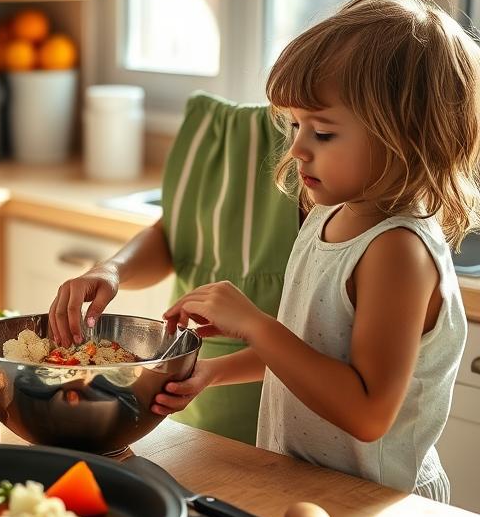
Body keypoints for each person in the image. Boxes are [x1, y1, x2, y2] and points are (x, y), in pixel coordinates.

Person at [154, 0, 480, 517]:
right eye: (294, 125)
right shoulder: (331, 213)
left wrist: (253, 325)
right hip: (312, 487)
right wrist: (218, 369)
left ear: (406, 137)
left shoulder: (396, 251)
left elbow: (366, 407)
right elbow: (313, 356)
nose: (296, 149)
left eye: (322, 131)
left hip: (374, 504)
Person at [49, 91, 300, 443]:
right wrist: (111, 270)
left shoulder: (301, 152)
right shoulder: (210, 128)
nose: (306, 142)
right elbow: (176, 232)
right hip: (190, 408)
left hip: (277, 427)